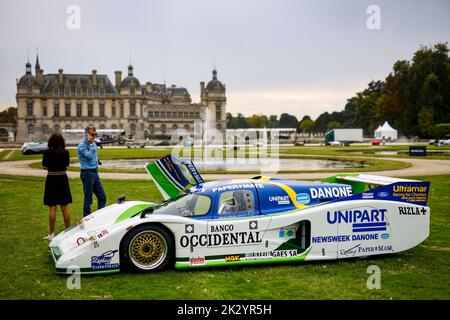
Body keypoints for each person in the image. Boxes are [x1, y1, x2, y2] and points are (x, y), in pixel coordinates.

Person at [42, 133, 72, 240]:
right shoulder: (66, 152)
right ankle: (68, 232)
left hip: (51, 179)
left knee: (52, 207)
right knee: (65, 206)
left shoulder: (47, 152)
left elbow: (45, 167)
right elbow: (67, 166)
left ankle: (51, 234)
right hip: (62, 179)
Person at [77, 125, 107, 216]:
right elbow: (89, 156)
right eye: (91, 135)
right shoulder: (82, 146)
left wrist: (97, 161)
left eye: (94, 135)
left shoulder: (92, 143)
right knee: (88, 199)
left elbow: (93, 157)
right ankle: (86, 219)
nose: (93, 137)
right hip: (87, 173)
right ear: (86, 134)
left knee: (102, 197)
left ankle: (100, 217)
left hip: (94, 172)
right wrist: (92, 145)